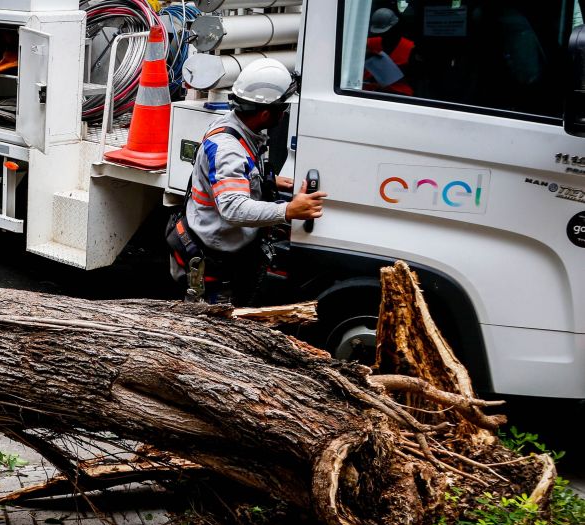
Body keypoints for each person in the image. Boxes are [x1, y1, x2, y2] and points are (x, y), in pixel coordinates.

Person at [167, 58, 326, 305]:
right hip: (215, 257)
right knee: (214, 328)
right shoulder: (228, 150)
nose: (284, 114)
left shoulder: (235, 125)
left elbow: (238, 175)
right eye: (282, 109)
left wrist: (268, 182)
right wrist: (288, 211)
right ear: (265, 113)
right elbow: (232, 207)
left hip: (223, 247)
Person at [364, 8, 415, 96]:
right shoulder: (369, 43)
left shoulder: (410, 48)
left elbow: (414, 79)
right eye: (380, 33)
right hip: (368, 92)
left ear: (395, 27)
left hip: (398, 95)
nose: (383, 35)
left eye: (386, 32)